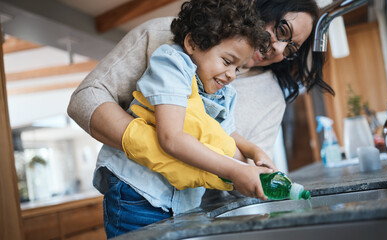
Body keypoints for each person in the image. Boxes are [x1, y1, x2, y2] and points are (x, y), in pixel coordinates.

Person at [68, 0, 334, 236]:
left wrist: (252, 158)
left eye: (291, 48)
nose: (278, 48)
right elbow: (87, 101)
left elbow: (230, 144)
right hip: (139, 195)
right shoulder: (171, 53)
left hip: (190, 210)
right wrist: (155, 148)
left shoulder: (240, 91)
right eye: (282, 30)